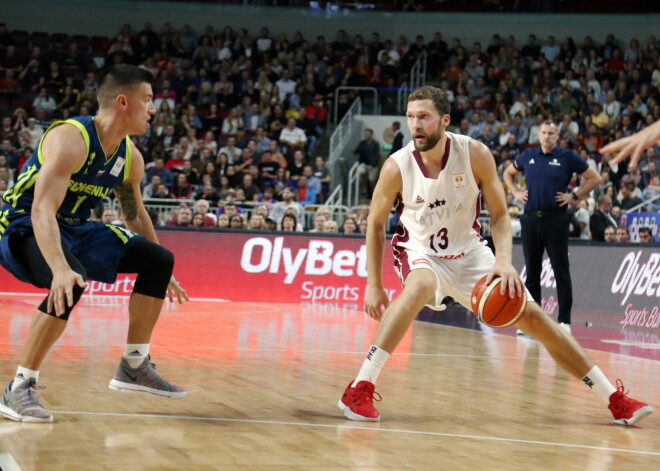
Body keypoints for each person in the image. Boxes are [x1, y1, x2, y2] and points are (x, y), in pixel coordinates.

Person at [338, 86, 652, 427]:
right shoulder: (396, 166)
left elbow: (501, 216)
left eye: (424, 117)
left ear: (444, 120)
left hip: (471, 252)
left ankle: (614, 399)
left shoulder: (474, 154)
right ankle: (360, 387)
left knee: (536, 320)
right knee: (418, 287)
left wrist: (503, 261)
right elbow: (376, 223)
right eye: (411, 117)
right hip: (421, 251)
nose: (416, 124)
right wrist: (373, 283)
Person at [0, 65, 189, 423]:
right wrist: (59, 267)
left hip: (75, 226)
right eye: (147, 100)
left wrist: (166, 275)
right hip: (22, 222)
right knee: (72, 278)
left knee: (159, 259)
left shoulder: (130, 157)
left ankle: (134, 365)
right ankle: (20, 386)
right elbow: (42, 208)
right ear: (122, 102)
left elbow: (133, 214)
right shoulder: (71, 138)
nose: (153, 109)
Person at [504, 121, 601, 331]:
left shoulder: (567, 156)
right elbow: (507, 173)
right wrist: (515, 192)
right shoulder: (528, 155)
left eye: (551, 133)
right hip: (530, 218)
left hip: (556, 219)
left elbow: (595, 178)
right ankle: (532, 321)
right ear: (538, 135)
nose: (547, 137)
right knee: (532, 272)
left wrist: (574, 195)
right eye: (544, 133)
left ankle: (564, 321)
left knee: (561, 271)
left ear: (557, 136)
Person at [354, 128, 381, 197]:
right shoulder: (362, 143)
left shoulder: (375, 144)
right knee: (359, 175)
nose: (365, 135)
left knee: (372, 181)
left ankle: (374, 195)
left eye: (367, 134)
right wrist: (354, 151)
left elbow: (377, 155)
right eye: (365, 134)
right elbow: (358, 150)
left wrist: (372, 165)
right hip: (363, 163)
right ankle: (364, 190)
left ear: (371, 135)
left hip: (373, 165)